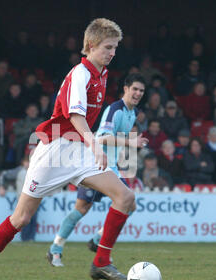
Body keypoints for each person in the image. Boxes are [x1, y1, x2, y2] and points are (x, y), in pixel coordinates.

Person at [0, 18, 132, 280]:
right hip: (55, 149)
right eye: (108, 47)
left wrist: (90, 145)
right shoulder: (80, 74)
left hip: (79, 149)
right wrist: (95, 145)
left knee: (126, 196)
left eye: (115, 47)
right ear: (91, 45)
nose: (112, 52)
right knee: (21, 218)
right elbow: (75, 115)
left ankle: (101, 262)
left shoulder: (102, 74)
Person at [47, 73, 147, 267]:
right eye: (135, 89)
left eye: (141, 90)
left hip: (112, 168)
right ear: (125, 89)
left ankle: (97, 240)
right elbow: (101, 138)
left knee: (130, 204)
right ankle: (55, 249)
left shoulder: (131, 113)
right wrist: (130, 142)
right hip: (95, 166)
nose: (138, 93)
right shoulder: (115, 110)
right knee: (82, 208)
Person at [0, 155, 38, 241]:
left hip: (35, 199)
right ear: (23, 162)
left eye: (30, 161)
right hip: (23, 200)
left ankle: (31, 238)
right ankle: (25, 238)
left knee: (33, 220)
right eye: (26, 161)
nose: (28, 163)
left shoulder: (36, 171)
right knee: (24, 219)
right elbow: (4, 174)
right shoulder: (19, 171)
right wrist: (2, 186)